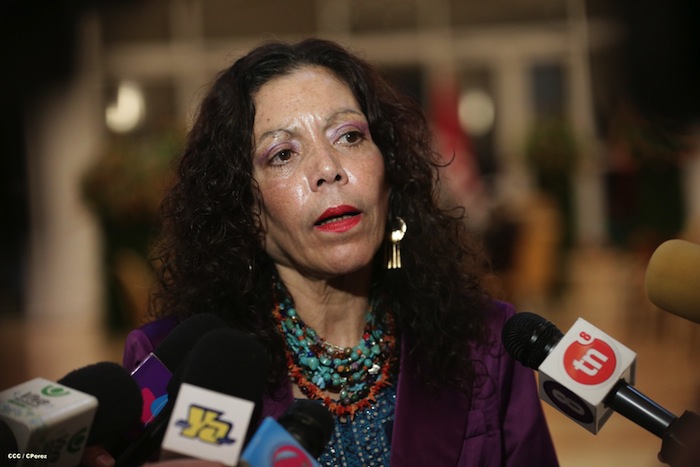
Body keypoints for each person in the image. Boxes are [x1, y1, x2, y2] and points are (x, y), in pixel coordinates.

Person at [84, 38, 559, 467]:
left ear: (389, 171)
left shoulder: (486, 344)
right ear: (244, 208)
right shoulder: (173, 365)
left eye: (349, 136)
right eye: (283, 154)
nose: (329, 169)